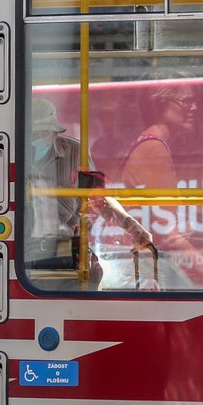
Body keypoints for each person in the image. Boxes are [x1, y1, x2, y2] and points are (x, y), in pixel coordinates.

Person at [118, 70, 203, 289]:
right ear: (158, 104)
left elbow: (179, 202)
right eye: (186, 101)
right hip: (156, 266)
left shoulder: (152, 144)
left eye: (194, 100)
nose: (194, 107)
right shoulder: (153, 149)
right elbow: (168, 234)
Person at [26, 98, 153, 282]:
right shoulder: (10, 153)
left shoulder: (74, 152)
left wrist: (132, 226)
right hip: (22, 250)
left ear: (54, 133)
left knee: (92, 275)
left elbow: (98, 198)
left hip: (66, 247)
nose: (35, 141)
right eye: (32, 135)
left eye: (41, 135)